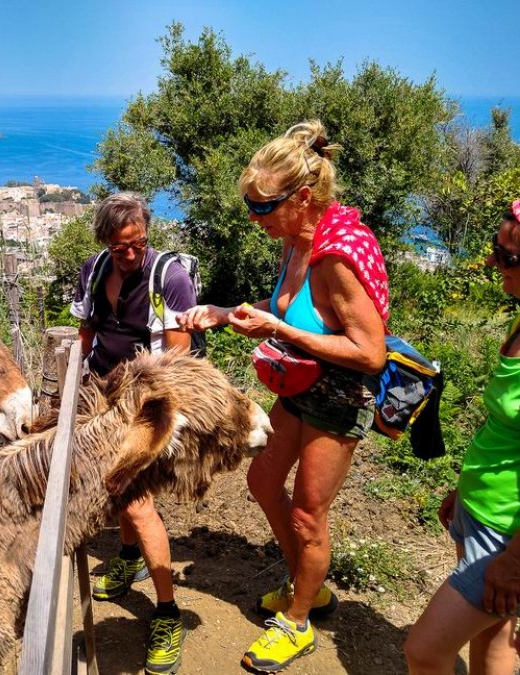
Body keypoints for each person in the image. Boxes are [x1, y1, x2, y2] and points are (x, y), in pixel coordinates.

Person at [178, 120, 389, 672]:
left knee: (307, 515)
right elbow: (293, 313)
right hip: (301, 384)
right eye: (249, 205)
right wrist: (226, 314)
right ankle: (308, 585)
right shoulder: (296, 240)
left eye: (262, 207)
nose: (253, 218)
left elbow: (371, 354)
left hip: (340, 395)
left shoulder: (335, 255)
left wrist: (279, 330)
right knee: (262, 480)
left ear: (301, 199)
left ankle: (298, 621)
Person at [70, 191, 197, 675]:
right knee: (117, 491)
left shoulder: (171, 279)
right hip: (103, 393)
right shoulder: (96, 269)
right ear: (105, 241)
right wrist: (81, 379)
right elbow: (87, 329)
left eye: (138, 244)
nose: (131, 254)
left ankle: (167, 613)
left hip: (148, 401)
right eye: (121, 247)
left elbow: (178, 359)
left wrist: (139, 410)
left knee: (136, 499)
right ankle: (128, 556)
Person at [404, 200, 520, 675]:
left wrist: (514, 560)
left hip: (507, 534)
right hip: (482, 509)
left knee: (424, 651)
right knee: (493, 646)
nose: (494, 262)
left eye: (509, 257)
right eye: (497, 248)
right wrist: (464, 488)